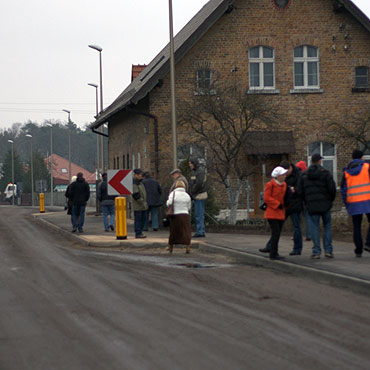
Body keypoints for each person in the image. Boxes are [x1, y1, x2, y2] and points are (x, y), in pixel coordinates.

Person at [300, 153, 337, 259]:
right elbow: (332, 189)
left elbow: (301, 191)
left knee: (314, 228)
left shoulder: (305, 175)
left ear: (311, 161)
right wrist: (330, 200)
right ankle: (328, 250)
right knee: (327, 226)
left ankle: (316, 251)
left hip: (312, 205)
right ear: (320, 161)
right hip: (325, 205)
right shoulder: (326, 173)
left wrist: (306, 202)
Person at [341, 149, 370, 257]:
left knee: (356, 226)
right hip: (367, 201)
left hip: (353, 202)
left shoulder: (347, 171)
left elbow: (344, 189)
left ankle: (358, 250)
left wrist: (347, 203)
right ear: (362, 157)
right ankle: (368, 243)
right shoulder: (367, 168)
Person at [263, 166, 289, 260]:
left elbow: (286, 196)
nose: (285, 176)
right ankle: (273, 254)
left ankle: (274, 252)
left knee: (277, 233)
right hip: (272, 213)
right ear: (278, 176)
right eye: (283, 174)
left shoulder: (285, 185)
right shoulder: (270, 185)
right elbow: (266, 198)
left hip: (280, 213)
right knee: (276, 233)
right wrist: (277, 204)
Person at [280, 161, 303, 256]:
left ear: (290, 168)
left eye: (286, 171)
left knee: (296, 227)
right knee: (278, 226)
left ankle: (297, 248)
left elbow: (300, 189)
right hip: (285, 204)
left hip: (295, 204)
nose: (285, 174)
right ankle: (270, 246)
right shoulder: (283, 175)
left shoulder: (298, 174)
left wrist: (293, 190)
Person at [166, 180, 192, 254]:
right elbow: (189, 206)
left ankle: (171, 247)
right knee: (186, 232)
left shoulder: (173, 194)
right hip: (185, 215)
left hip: (175, 215)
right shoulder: (187, 195)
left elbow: (169, 203)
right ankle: (187, 247)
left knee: (174, 232)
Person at [189, 158, 207, 238]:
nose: (189, 165)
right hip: (195, 194)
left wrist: (192, 191)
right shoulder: (194, 171)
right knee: (198, 213)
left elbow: (199, 183)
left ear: (194, 163)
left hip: (199, 194)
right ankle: (200, 230)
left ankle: (200, 231)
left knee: (199, 214)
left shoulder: (200, 171)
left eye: (190, 163)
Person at [296, 160, 312, 241]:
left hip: (299, 199)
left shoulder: (297, 176)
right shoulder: (308, 175)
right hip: (307, 199)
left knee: (297, 218)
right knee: (308, 217)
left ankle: (297, 234)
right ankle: (309, 235)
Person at [132, 168, 148, 238]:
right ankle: (138, 233)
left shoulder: (140, 183)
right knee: (138, 219)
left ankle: (140, 232)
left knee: (143, 219)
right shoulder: (135, 183)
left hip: (142, 204)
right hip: (138, 205)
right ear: (135, 175)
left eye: (141, 174)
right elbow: (136, 195)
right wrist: (142, 202)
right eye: (139, 174)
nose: (140, 176)